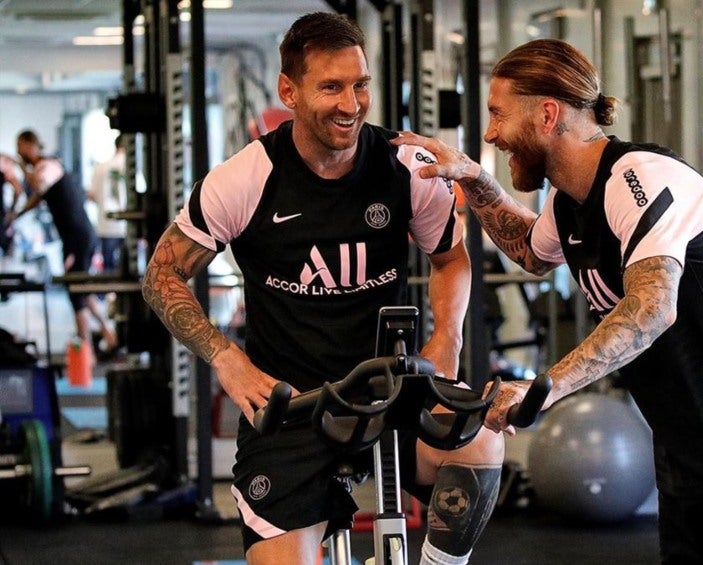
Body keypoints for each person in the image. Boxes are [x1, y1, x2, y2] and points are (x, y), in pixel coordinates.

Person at [393, 38, 703, 564]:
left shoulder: (640, 178)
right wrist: (474, 177)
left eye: (498, 115)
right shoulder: (570, 200)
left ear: (548, 114)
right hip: (687, 454)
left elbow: (652, 307)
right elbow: (532, 252)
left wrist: (544, 386)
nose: (491, 134)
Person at [141, 12, 503, 565]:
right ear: (289, 90)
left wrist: (446, 341)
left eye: (360, 85)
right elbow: (161, 275)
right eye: (330, 87)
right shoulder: (244, 179)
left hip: (389, 389)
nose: (351, 103)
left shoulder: (407, 166)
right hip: (292, 404)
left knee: (480, 443)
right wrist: (224, 357)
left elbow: (451, 257)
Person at [4, 130, 117, 355]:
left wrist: (18, 165)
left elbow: (37, 186)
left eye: (20, 146)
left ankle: (87, 352)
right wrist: (17, 215)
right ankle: (107, 334)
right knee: (80, 288)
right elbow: (37, 199)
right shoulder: (44, 169)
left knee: (75, 290)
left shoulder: (48, 166)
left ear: (30, 144)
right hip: (74, 237)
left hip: (79, 237)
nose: (19, 152)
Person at [88, 134, 140, 275]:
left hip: (107, 224)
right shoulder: (132, 168)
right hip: (129, 225)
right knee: (131, 267)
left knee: (109, 268)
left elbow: (91, 195)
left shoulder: (100, 168)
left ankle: (109, 295)